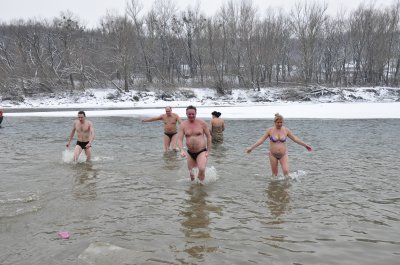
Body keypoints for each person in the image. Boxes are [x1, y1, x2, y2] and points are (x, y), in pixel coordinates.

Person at [245, 113, 312, 177]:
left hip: (283, 154)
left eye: (281, 122)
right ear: (275, 122)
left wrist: (305, 145)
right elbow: (261, 140)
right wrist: (251, 148)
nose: (279, 124)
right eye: (278, 122)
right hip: (272, 155)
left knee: (286, 172)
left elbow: (295, 139)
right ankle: (274, 188)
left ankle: (285, 188)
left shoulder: (286, 130)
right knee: (274, 175)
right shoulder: (270, 130)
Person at [178, 105, 212, 182]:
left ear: (196, 113)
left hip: (201, 151)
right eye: (189, 114)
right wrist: (181, 150)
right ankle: (193, 191)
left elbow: (209, 136)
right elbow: (180, 139)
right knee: (192, 175)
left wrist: (208, 151)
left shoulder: (202, 123)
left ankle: (201, 187)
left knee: (202, 168)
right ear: (186, 114)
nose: (191, 115)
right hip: (190, 152)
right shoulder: (183, 125)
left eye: (193, 114)